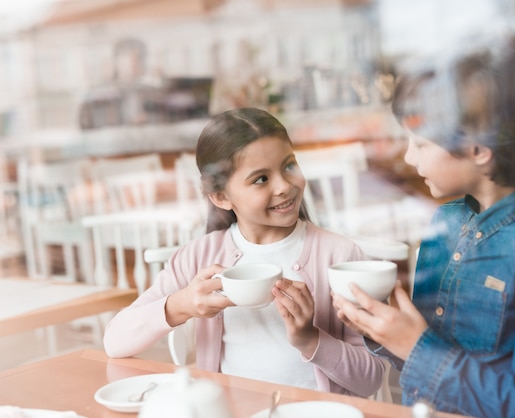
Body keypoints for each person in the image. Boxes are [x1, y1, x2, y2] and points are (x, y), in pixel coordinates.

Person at [332, 33, 515, 417]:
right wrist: (383, 331)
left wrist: (415, 346)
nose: (409, 156)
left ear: (479, 151)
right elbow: (423, 363)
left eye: (420, 143)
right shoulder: (446, 222)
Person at [103, 107, 385, 397]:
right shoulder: (199, 257)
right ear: (221, 197)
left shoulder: (340, 256)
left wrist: (309, 339)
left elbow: (371, 378)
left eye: (289, 166)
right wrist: (182, 304)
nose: (284, 186)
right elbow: (115, 341)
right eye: (261, 179)